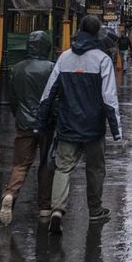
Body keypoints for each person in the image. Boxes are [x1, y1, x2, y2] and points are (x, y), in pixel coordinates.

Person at [38, 15, 121, 234]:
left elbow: (48, 93)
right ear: (97, 34)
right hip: (94, 127)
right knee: (95, 169)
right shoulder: (103, 60)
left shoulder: (64, 58)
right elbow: (109, 99)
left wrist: (40, 120)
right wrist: (116, 131)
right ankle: (95, 210)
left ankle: (57, 209)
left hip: (68, 124)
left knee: (63, 167)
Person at [0, 31, 56, 225]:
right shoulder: (51, 68)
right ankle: (44, 206)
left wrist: (20, 115)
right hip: (46, 124)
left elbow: (13, 99)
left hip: (24, 122)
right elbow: (55, 98)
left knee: (21, 164)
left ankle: (10, 193)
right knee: (47, 164)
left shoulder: (17, 69)